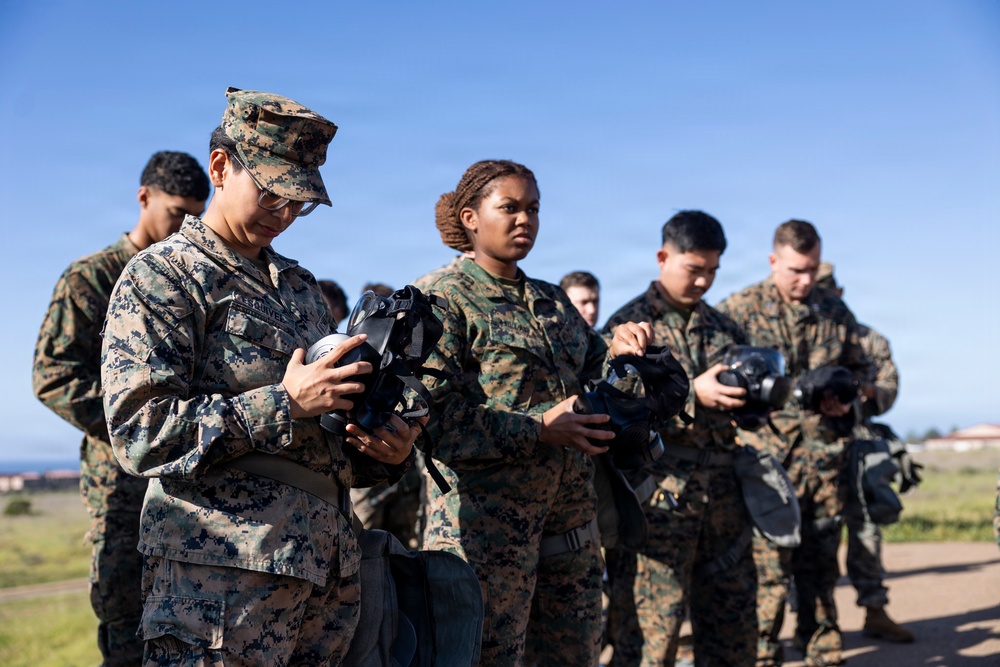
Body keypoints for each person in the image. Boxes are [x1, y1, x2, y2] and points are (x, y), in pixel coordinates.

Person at [100, 87, 420, 666]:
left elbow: (319, 440)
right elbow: (140, 433)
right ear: (220, 167)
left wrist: (380, 450)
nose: (286, 214)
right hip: (221, 579)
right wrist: (284, 402)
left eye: (300, 203)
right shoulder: (163, 277)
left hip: (324, 574)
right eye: (272, 193)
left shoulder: (300, 289)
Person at [419, 159, 651, 666]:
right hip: (484, 539)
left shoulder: (551, 301)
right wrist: (539, 429)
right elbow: (433, 422)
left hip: (570, 536)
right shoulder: (441, 300)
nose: (525, 219)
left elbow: (600, 370)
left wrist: (627, 352)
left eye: (534, 209)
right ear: (471, 217)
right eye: (509, 208)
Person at [33, 150, 209, 666]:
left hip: (189, 482)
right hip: (122, 484)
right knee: (127, 622)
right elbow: (54, 375)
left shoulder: (190, 281)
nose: (185, 225)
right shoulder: (91, 279)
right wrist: (139, 423)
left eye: (196, 215)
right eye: (176, 212)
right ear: (144, 198)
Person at [603, 210, 756, 666]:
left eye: (713, 271)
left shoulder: (727, 328)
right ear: (663, 257)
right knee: (651, 635)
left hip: (725, 496)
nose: (704, 282)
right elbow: (613, 409)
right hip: (660, 497)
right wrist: (693, 392)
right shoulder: (628, 326)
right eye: (694, 269)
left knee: (734, 627)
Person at [718, 220, 872, 667]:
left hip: (824, 461)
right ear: (773, 261)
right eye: (794, 270)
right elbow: (718, 381)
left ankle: (822, 646)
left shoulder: (835, 312)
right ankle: (762, 650)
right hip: (766, 463)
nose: (804, 280)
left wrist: (848, 398)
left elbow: (861, 373)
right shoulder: (738, 311)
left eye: (810, 270)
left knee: (822, 565)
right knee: (766, 568)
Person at [816, 263, 915, 643]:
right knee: (813, 534)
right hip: (811, 447)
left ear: (838, 293)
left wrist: (863, 388)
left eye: (826, 290)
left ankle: (874, 609)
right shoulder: (797, 337)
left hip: (860, 444)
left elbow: (890, 388)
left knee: (867, 530)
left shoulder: (868, 340)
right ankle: (814, 621)